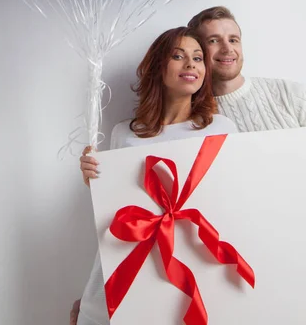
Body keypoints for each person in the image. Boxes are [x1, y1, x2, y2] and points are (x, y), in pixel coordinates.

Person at [73, 27, 238, 325]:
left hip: (190, 266)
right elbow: (117, 209)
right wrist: (94, 182)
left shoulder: (220, 130)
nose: (191, 64)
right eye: (178, 56)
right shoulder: (125, 133)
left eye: (198, 58)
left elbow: (231, 205)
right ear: (158, 67)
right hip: (128, 263)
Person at [187, 6, 306, 131]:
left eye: (233, 40)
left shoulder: (291, 93)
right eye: (214, 41)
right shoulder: (189, 117)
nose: (228, 49)